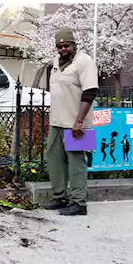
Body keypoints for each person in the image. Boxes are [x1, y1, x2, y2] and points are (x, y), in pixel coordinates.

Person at [43, 28, 99, 217]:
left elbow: (90, 92)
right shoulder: (56, 62)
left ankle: (79, 203)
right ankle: (60, 196)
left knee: (76, 162)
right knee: (54, 158)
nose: (63, 49)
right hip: (57, 121)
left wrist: (79, 121)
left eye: (66, 45)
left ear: (74, 44)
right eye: (59, 46)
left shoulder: (85, 62)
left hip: (77, 124)